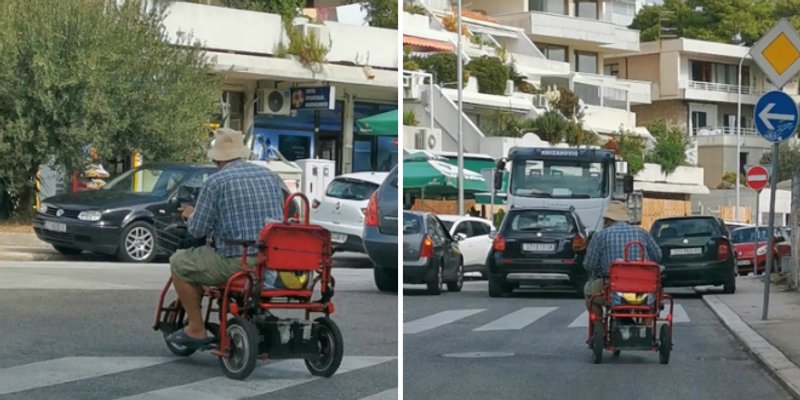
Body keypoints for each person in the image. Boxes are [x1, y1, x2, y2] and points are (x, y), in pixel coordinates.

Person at [166, 128, 285, 348]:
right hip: (270, 261)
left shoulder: (216, 182)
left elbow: (198, 230)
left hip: (236, 261)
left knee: (179, 263)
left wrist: (191, 215)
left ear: (218, 159)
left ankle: (196, 328)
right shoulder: (271, 177)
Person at [583, 201, 662, 323]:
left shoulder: (601, 236)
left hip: (613, 291)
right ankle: (646, 329)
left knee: (589, 293)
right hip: (643, 290)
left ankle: (598, 326)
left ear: (609, 219)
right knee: (650, 303)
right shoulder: (642, 233)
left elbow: (589, 265)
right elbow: (658, 256)